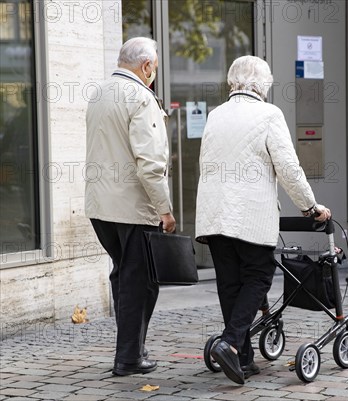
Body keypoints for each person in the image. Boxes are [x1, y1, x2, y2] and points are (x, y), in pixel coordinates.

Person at [195, 55, 331, 385]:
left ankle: (241, 357)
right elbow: (288, 167)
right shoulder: (269, 114)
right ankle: (230, 343)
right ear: (263, 84)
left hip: (214, 214)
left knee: (229, 282)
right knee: (259, 274)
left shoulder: (215, 115)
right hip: (249, 214)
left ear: (233, 82)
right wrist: (310, 207)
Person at [85, 37, 176, 376]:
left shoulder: (100, 93)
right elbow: (150, 163)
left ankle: (132, 347)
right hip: (133, 209)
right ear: (146, 66)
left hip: (100, 207)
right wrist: (164, 210)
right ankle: (128, 357)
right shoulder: (140, 97)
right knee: (141, 281)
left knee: (124, 274)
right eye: (154, 66)